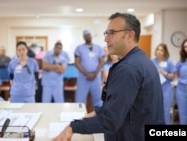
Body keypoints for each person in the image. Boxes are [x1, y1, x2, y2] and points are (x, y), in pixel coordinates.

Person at [52, 12, 164, 141]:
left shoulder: (128, 69)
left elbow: (111, 120)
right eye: (106, 34)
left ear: (129, 35)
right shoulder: (140, 60)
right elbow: (120, 104)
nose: (106, 39)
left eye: (111, 33)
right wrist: (95, 114)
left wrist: (73, 127)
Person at [74, 29, 104, 109]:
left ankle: (98, 119)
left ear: (91, 35)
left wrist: (94, 74)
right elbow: (77, 63)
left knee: (98, 100)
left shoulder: (98, 48)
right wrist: (87, 74)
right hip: (83, 78)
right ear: (83, 37)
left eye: (88, 34)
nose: (87, 36)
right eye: (85, 35)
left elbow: (101, 62)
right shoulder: (79, 48)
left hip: (96, 78)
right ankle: (79, 118)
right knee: (80, 101)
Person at [151, 43, 176, 124]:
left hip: (166, 89)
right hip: (154, 89)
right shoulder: (152, 61)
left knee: (165, 111)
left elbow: (173, 76)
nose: (159, 52)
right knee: (154, 111)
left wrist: (164, 72)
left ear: (165, 52)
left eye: (161, 50)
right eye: (158, 49)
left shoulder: (169, 62)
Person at [175, 38, 187, 124]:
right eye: (185, 46)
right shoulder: (181, 61)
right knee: (183, 115)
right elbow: (178, 74)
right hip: (182, 89)